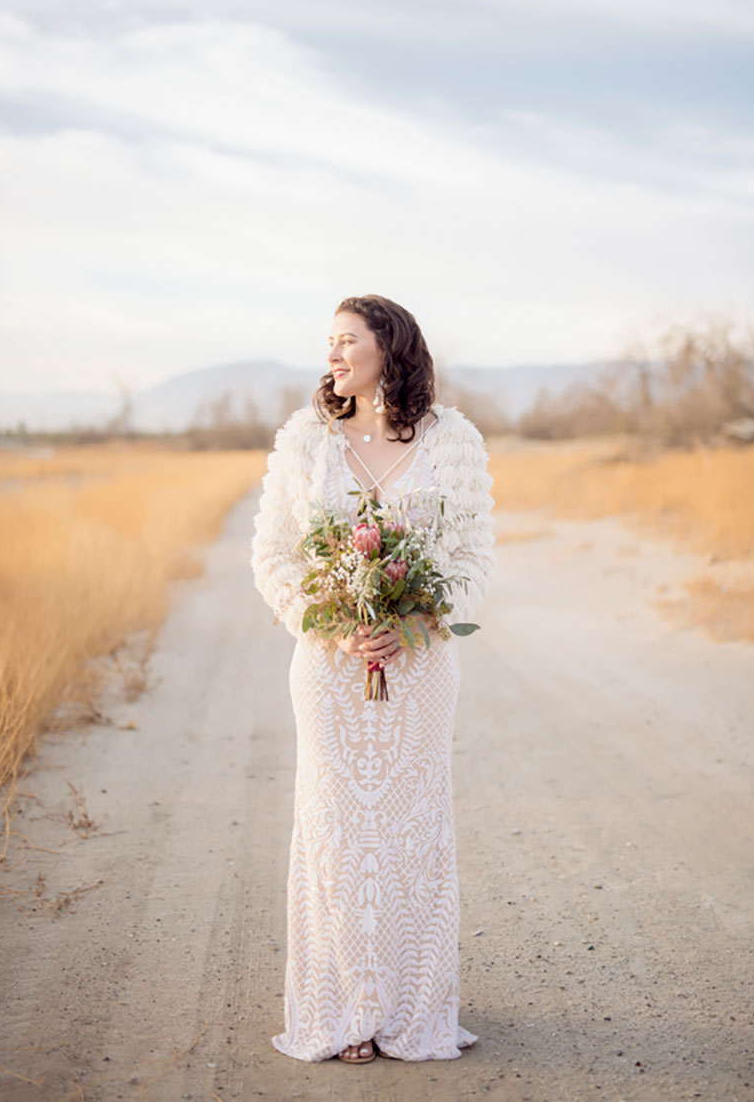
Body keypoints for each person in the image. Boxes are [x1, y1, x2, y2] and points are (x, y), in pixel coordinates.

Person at [251, 294, 495, 1064]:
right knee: (335, 830)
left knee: (408, 829)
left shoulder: (452, 443)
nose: (332, 355)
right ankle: (345, 1010)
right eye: (329, 342)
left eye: (346, 340)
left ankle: (408, 1010)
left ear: (389, 348)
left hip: (418, 669)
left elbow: (472, 560)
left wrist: (415, 622)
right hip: (328, 667)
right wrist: (327, 618)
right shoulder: (305, 442)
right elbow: (276, 557)